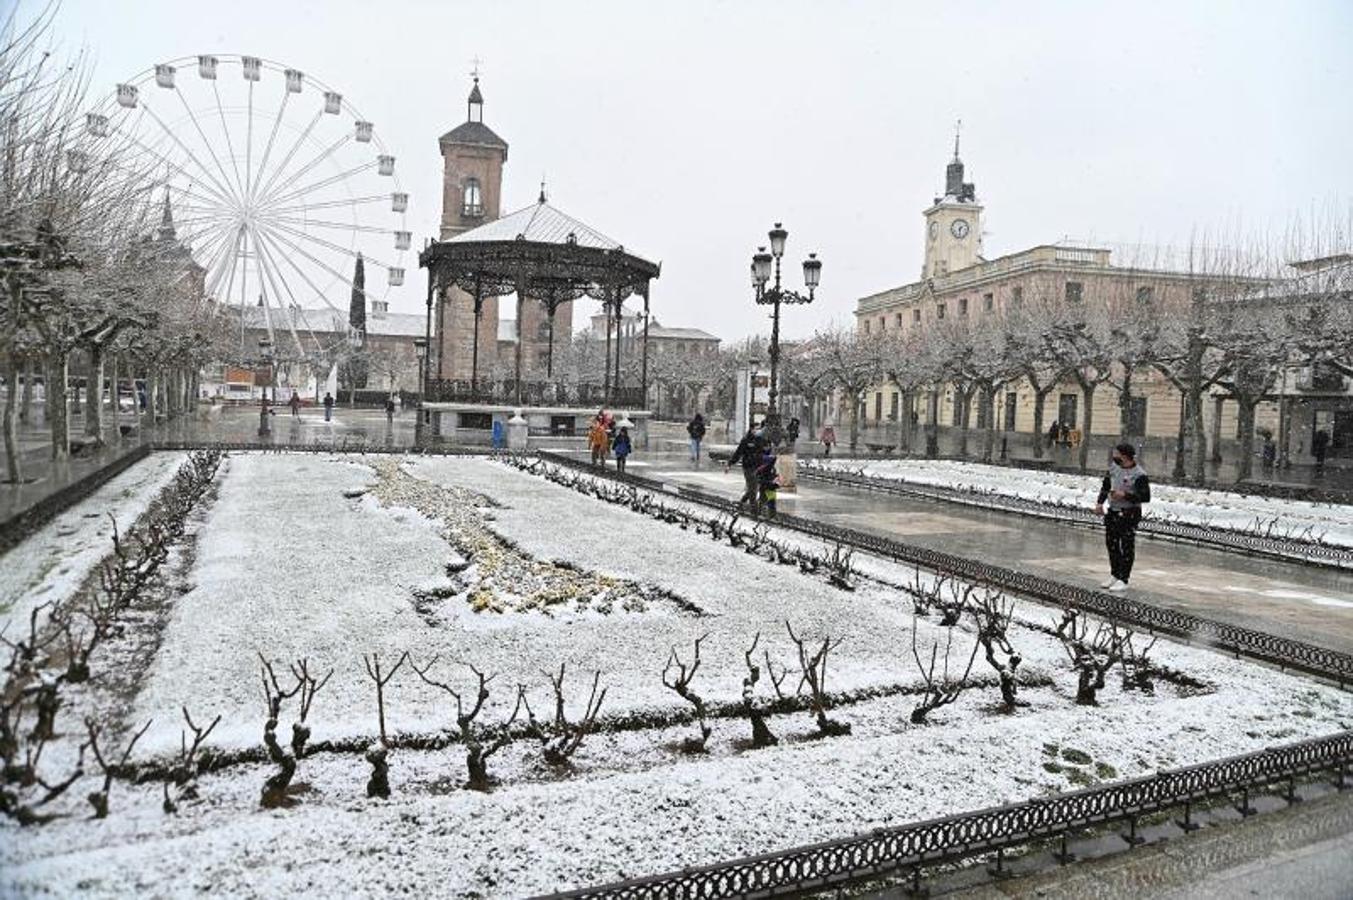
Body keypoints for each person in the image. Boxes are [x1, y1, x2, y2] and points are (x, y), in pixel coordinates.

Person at [1095, 442, 1151, 592]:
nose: (1114, 456)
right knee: (1111, 544)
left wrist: (1125, 495)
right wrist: (1100, 503)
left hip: (1129, 513)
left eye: (1117, 454)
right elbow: (1106, 486)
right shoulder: (1114, 468)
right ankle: (1115, 573)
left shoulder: (1139, 474)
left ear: (1125, 456)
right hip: (1113, 511)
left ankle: (1124, 578)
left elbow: (1145, 496)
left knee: (1126, 545)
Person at [727, 424, 766, 512]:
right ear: (751, 429)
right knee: (753, 488)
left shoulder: (760, 440)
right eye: (756, 429)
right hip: (748, 467)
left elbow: (764, 453)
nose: (758, 431)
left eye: (759, 429)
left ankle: (741, 503)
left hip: (758, 467)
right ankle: (754, 509)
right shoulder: (746, 440)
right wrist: (730, 463)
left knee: (753, 488)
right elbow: (738, 453)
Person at [755, 445, 780, 515]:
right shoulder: (766, 463)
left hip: (768, 484)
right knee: (767, 500)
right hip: (767, 484)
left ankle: (766, 513)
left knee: (769, 500)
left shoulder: (768, 465)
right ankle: (765, 513)